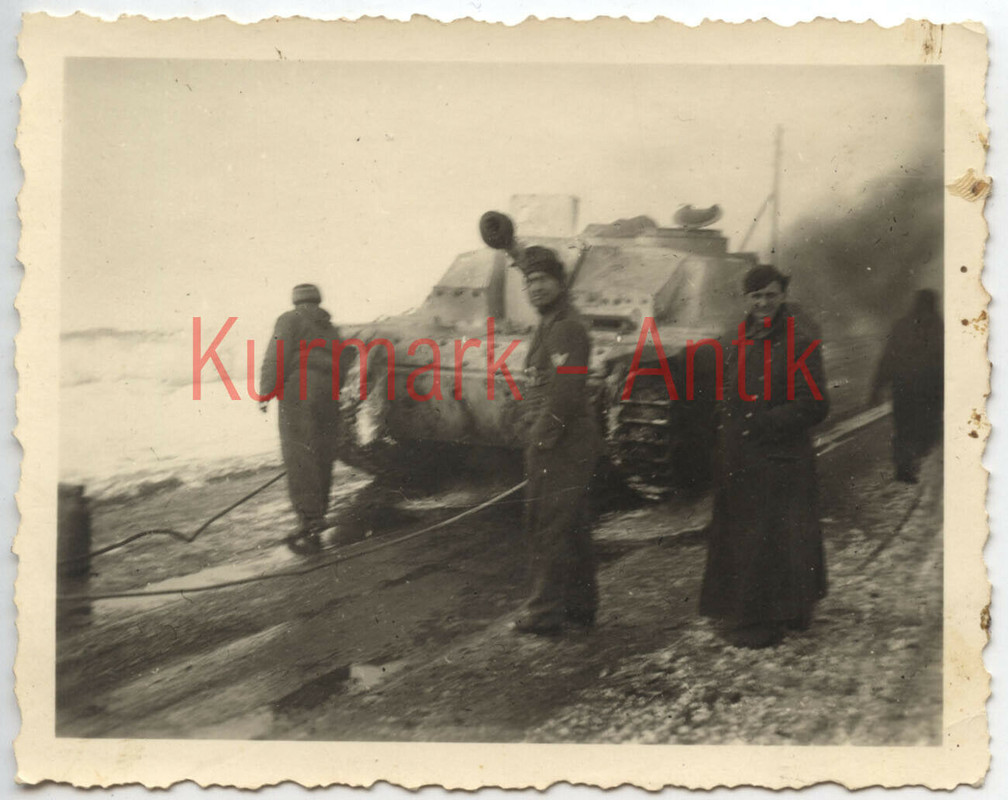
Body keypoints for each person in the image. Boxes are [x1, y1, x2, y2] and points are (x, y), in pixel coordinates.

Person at [699, 265, 830, 648]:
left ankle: (763, 619)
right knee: (748, 538)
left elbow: (816, 404)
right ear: (747, 299)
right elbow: (728, 387)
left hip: (779, 457)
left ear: (782, 295)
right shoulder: (738, 338)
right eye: (756, 296)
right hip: (741, 456)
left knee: (773, 539)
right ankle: (766, 610)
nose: (763, 303)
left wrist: (765, 421)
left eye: (770, 295)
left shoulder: (800, 341)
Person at [511, 246, 603, 636]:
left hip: (562, 439)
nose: (534, 288)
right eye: (529, 281)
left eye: (542, 280)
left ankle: (544, 611)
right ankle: (580, 607)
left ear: (560, 282)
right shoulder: (550, 323)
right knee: (571, 524)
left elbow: (566, 392)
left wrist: (541, 438)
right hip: (561, 436)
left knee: (548, 524)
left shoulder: (565, 326)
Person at [259, 283, 343, 554]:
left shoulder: (289, 319)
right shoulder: (330, 327)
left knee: (299, 454)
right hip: (328, 391)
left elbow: (276, 355)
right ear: (318, 300)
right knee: (322, 454)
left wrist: (265, 392)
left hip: (300, 388)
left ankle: (310, 524)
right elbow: (343, 361)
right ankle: (317, 519)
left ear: (295, 300)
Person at [869, 289, 944, 483]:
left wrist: (876, 389)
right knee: (926, 429)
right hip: (930, 391)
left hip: (904, 389)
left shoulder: (901, 326)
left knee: (903, 429)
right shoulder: (939, 327)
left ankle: (905, 466)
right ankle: (916, 462)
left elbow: (886, 359)